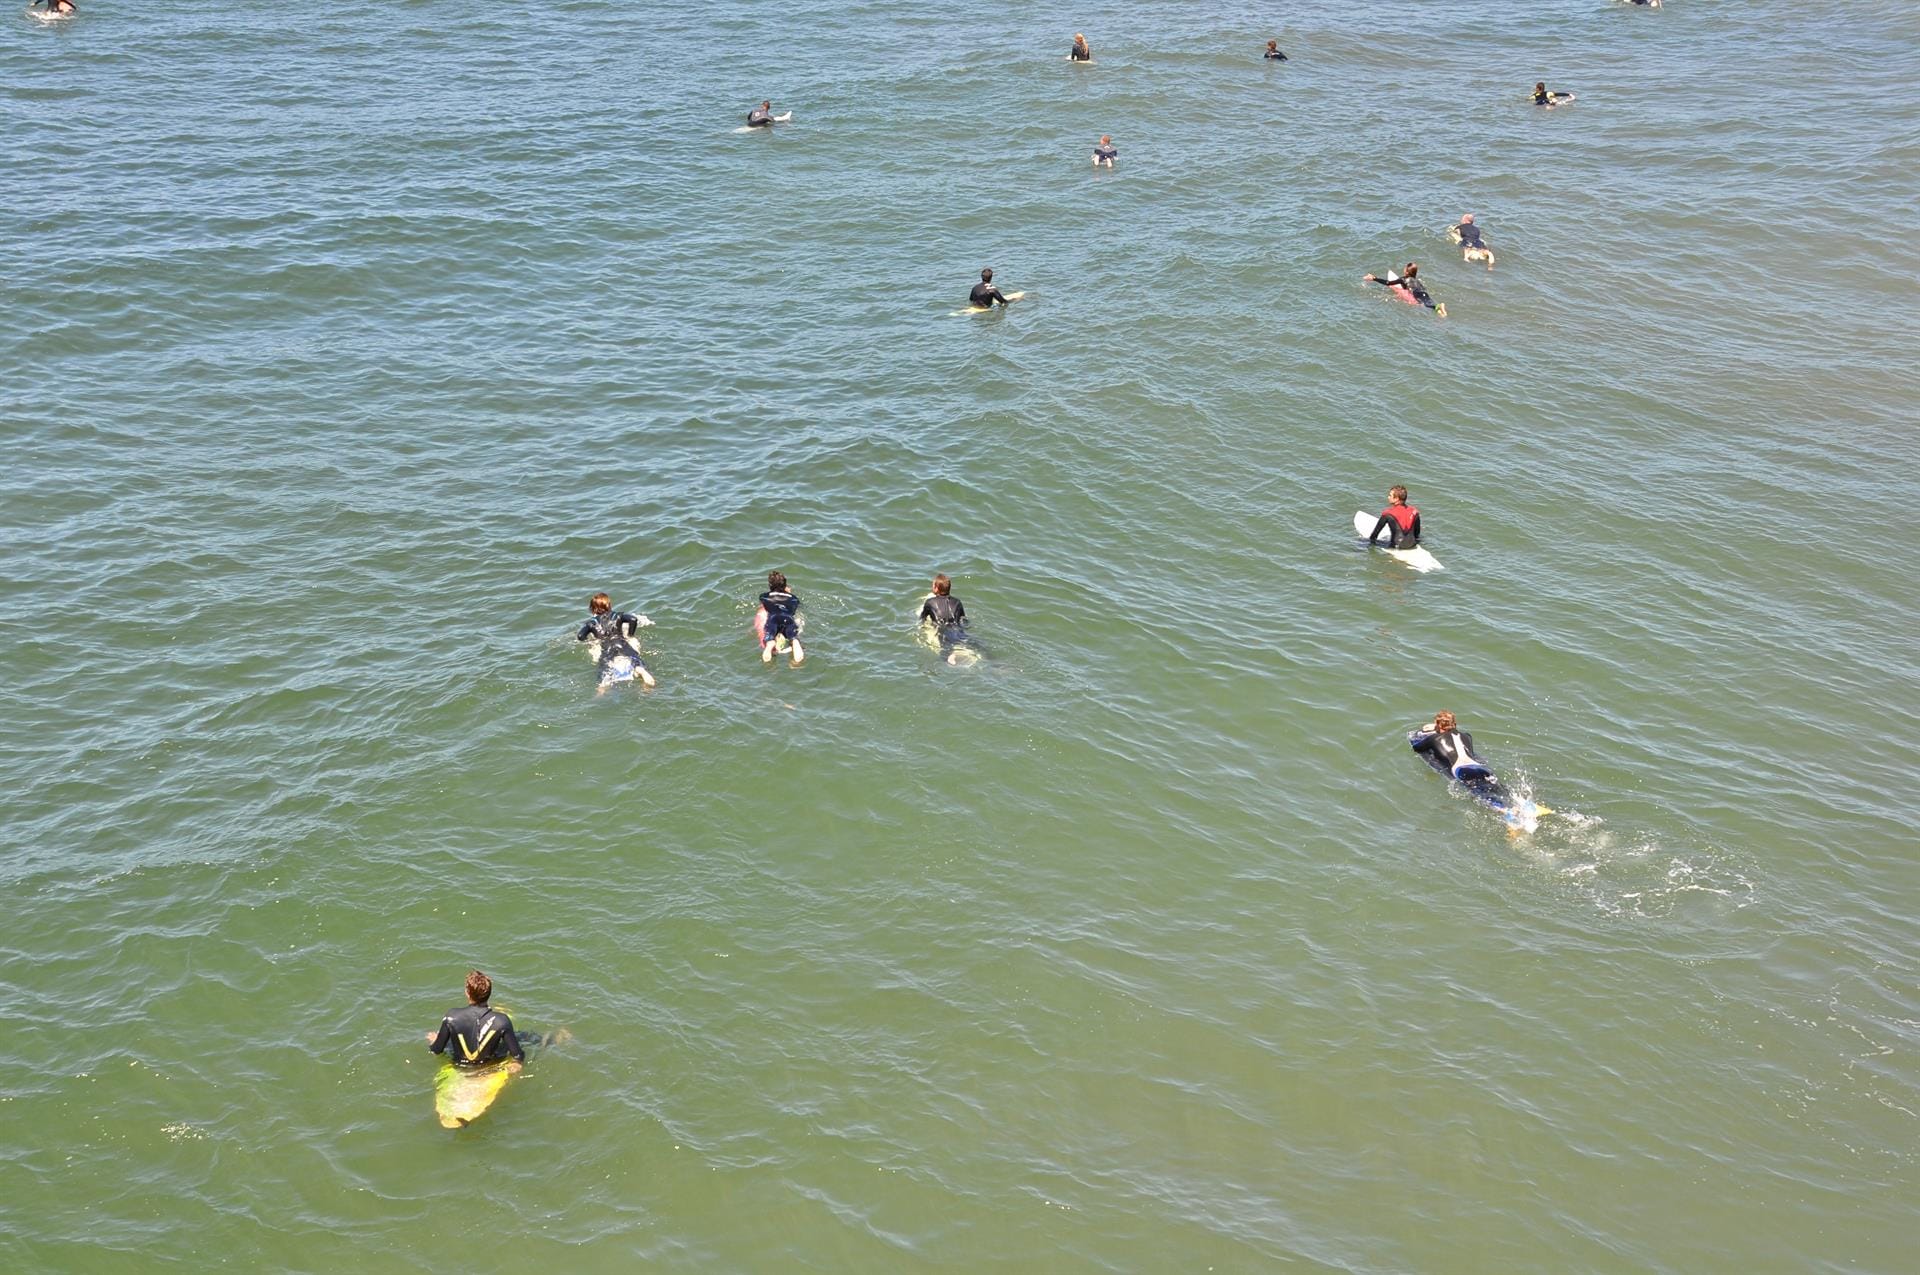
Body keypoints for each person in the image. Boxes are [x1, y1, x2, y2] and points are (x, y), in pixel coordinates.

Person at [426, 970, 525, 1073]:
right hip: (489, 1064)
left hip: (460, 1065)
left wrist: (434, 1040)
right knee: (522, 1036)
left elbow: (437, 1050)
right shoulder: (502, 1020)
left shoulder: (451, 1016)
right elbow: (518, 1055)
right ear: (489, 993)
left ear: (467, 993)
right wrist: (516, 1063)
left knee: (445, 1038)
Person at [577, 592, 655, 690]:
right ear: (609, 605)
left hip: (607, 646)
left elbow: (580, 636)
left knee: (605, 667)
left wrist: (590, 642)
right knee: (634, 659)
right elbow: (633, 619)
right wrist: (630, 636)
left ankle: (602, 687)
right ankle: (640, 671)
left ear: (592, 609)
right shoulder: (617, 615)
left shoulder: (592, 623)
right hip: (621, 643)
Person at [1410, 712, 1501, 792]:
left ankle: (1502, 809)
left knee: (1482, 794)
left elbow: (1417, 747)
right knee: (1497, 788)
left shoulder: (1434, 739)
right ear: (1455, 724)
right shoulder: (1467, 736)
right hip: (1479, 767)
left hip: (1462, 770)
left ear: (1438, 725)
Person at [918, 573, 978, 664]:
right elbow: (964, 620)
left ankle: (951, 658)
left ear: (936, 588)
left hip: (943, 630)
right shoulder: (957, 602)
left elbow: (922, 619)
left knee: (944, 653)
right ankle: (995, 663)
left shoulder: (930, 602)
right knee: (976, 644)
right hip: (958, 630)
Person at [1362, 262, 1444, 315]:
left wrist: (1374, 278)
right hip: (1424, 293)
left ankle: (1439, 307)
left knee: (1424, 304)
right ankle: (1440, 310)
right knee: (1429, 304)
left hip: (1417, 294)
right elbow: (1423, 288)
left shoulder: (1403, 279)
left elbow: (1388, 283)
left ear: (1406, 272)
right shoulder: (1417, 281)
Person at [759, 570, 805, 665]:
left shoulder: (764, 597)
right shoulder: (794, 598)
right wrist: (788, 593)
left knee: (770, 641)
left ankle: (770, 645)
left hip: (773, 619)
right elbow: (796, 608)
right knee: (794, 639)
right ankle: (796, 661)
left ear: (770, 585)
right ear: (785, 585)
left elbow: (764, 606)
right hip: (788, 619)